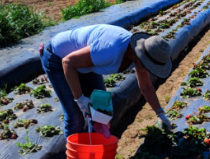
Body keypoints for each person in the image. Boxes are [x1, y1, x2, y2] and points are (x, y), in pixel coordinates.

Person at [40, 25, 172, 138]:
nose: (147, 69)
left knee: (101, 113)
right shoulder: (110, 50)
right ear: (140, 55)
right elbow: (68, 62)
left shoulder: (140, 57)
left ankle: (94, 156)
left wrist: (160, 114)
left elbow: (146, 86)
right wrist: (80, 100)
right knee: (76, 116)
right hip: (58, 58)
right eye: (148, 65)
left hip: (86, 63)